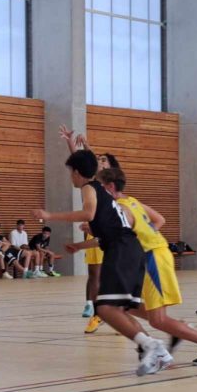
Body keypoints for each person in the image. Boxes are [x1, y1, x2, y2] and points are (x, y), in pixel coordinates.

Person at [34, 149, 173, 376]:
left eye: (71, 172)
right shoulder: (101, 189)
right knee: (119, 307)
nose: (70, 177)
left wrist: (50, 216)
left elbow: (88, 214)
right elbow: (106, 227)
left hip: (122, 250)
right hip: (129, 249)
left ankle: (151, 345)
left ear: (76, 172)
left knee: (104, 308)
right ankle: (158, 352)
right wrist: (80, 245)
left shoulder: (89, 187)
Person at [70, 168, 197, 365]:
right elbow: (158, 220)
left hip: (153, 258)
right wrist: (79, 245)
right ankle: (176, 329)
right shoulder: (131, 201)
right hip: (145, 258)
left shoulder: (120, 209)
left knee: (157, 320)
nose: (95, 191)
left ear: (109, 187)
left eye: (99, 187)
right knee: (125, 306)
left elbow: (117, 235)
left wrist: (96, 230)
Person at [59, 126, 116, 330]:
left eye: (104, 159)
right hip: (96, 231)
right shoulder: (91, 181)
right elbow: (81, 164)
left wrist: (87, 145)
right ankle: (94, 307)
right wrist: (70, 142)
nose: (100, 161)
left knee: (112, 274)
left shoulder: (110, 181)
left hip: (111, 232)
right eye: (98, 159)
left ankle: (114, 312)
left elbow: (90, 164)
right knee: (94, 273)